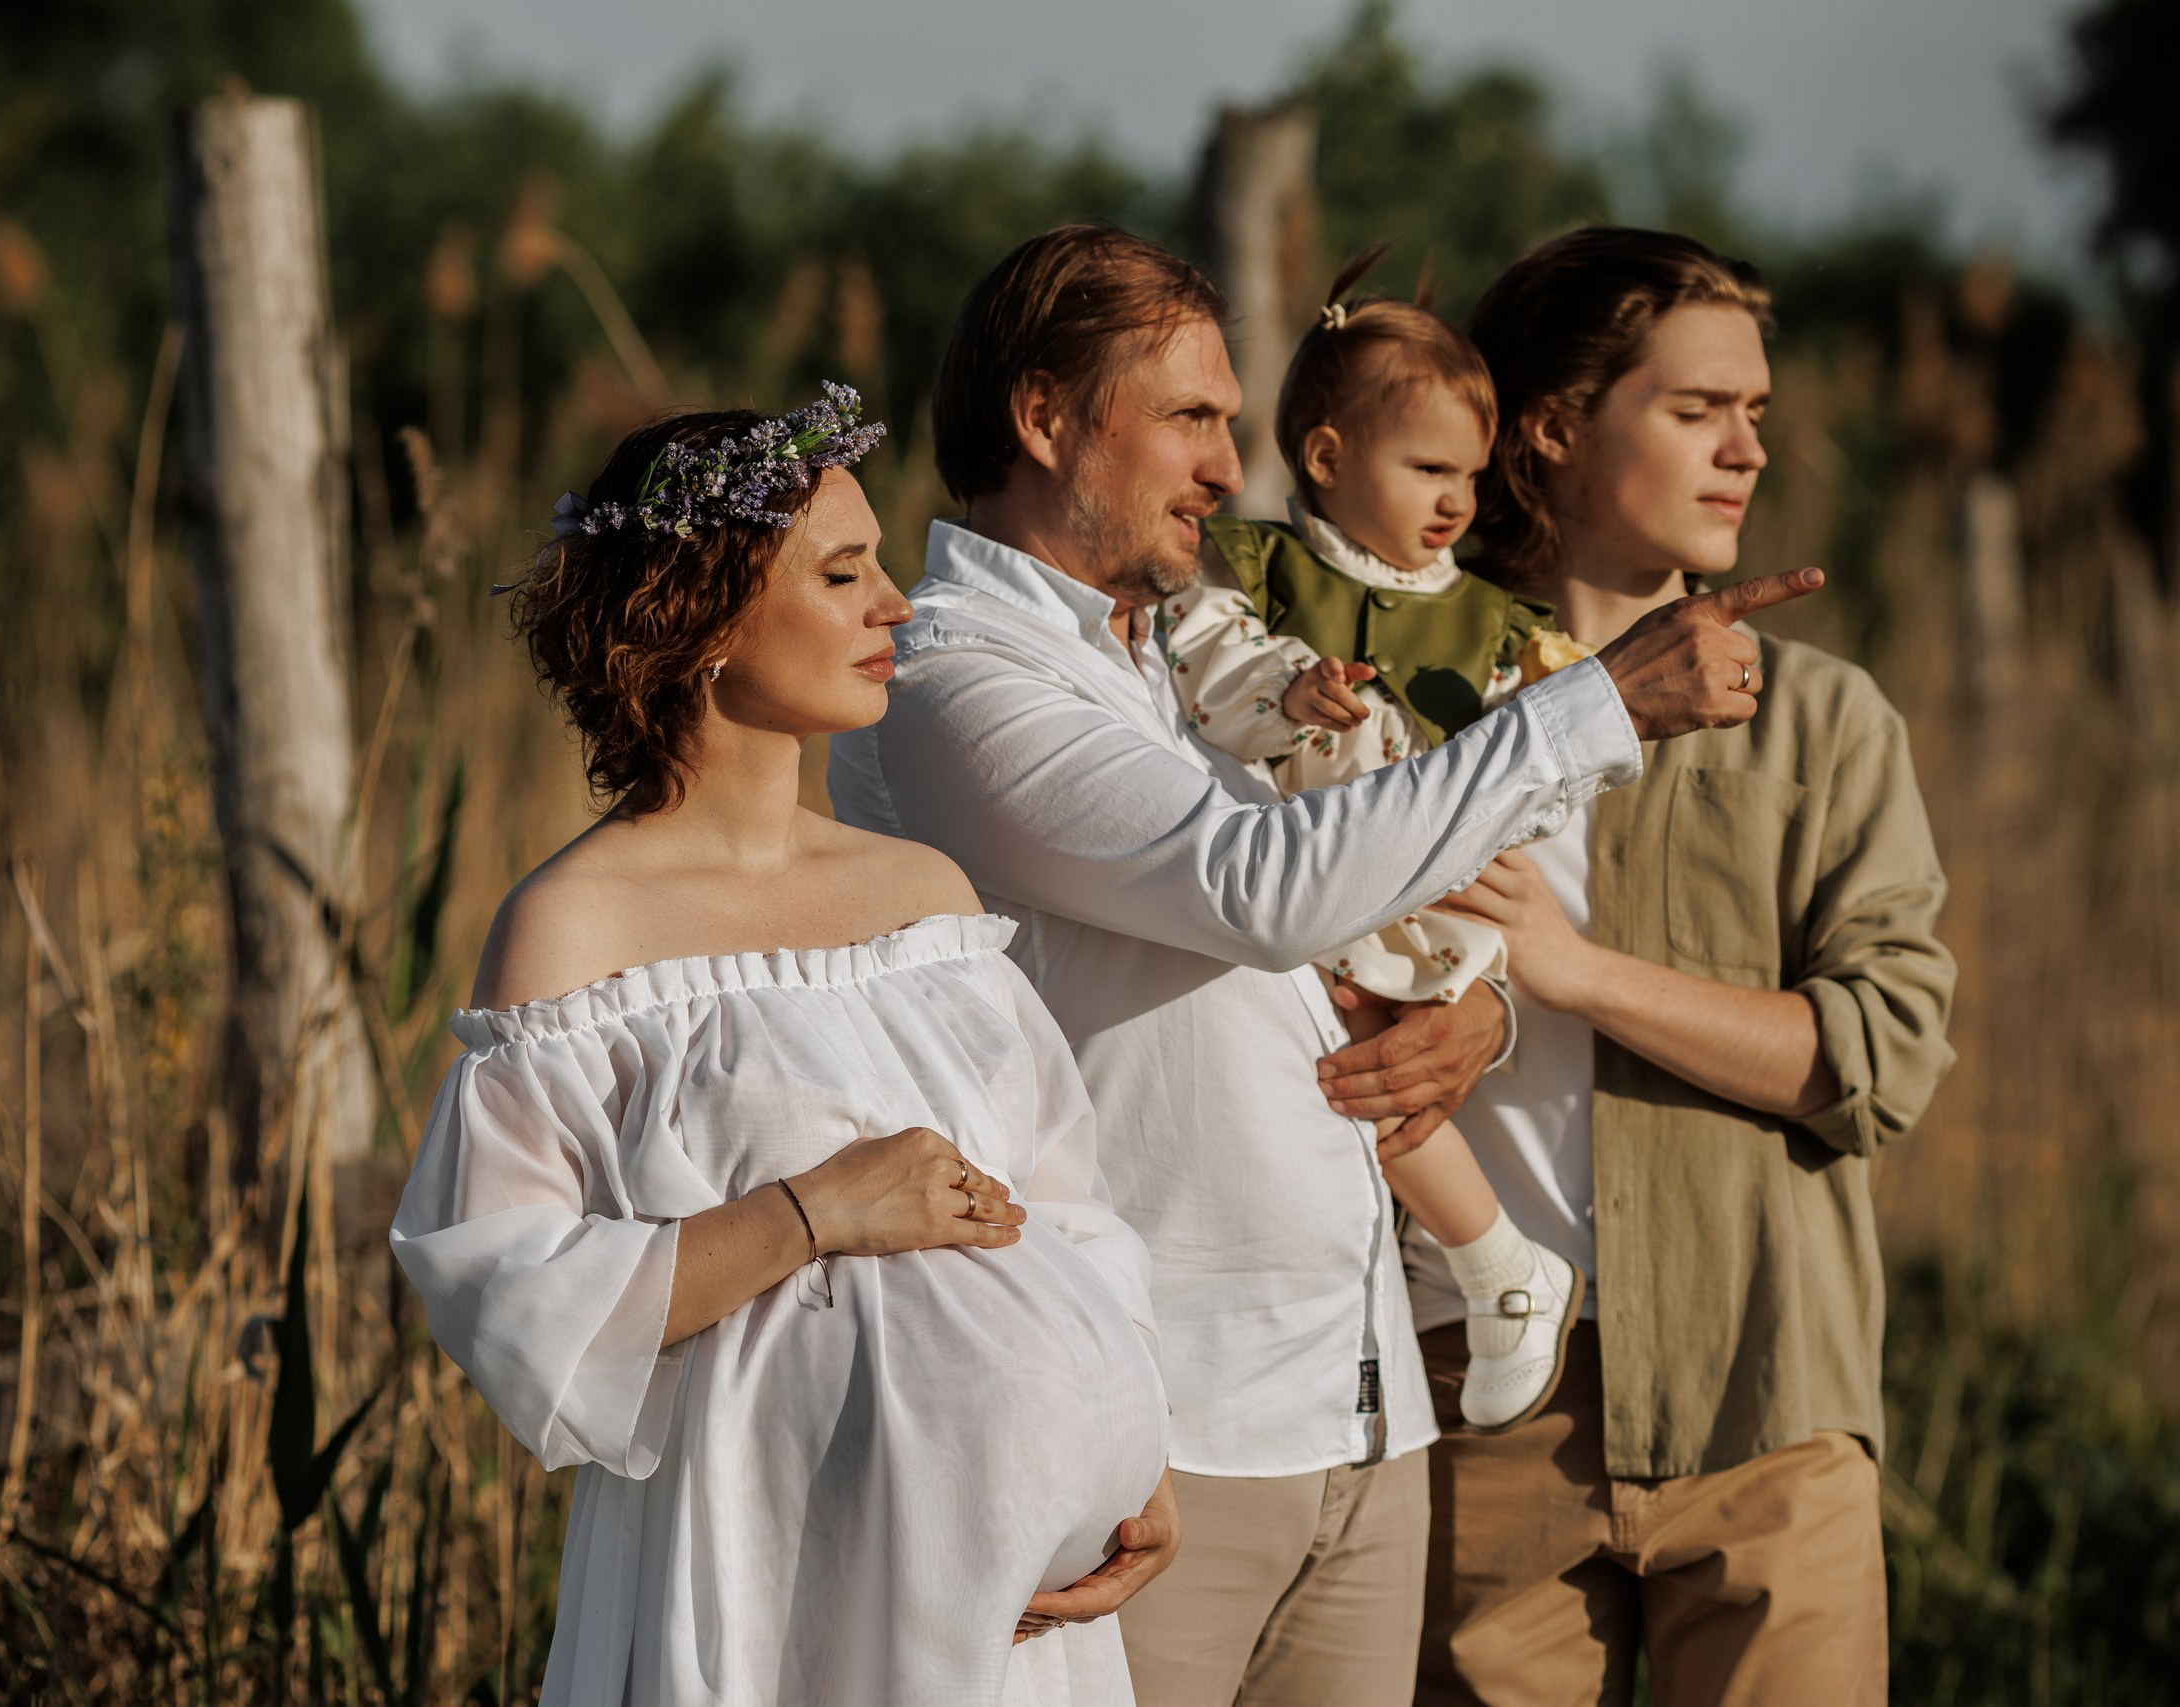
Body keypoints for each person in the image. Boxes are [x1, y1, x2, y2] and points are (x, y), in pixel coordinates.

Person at [827, 224, 1822, 1707]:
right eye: (1189, 417)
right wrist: (1597, 705)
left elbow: (1357, 886)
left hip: (1364, 1406)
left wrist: (1480, 1013)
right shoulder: (954, 674)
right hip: (1156, 1432)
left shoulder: (1192, 652)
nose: (1228, 467)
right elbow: (1259, 888)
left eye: (1229, 420)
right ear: (1042, 417)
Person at [390, 386, 1178, 1707]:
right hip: (765, 1565)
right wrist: (815, 1211)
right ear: (701, 618)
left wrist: (1135, 1443)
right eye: (843, 572)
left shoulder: (927, 898)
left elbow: (1067, 1205)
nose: (896, 606)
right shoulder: (575, 931)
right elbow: (510, 1293)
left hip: (1010, 1606)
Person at [1407, 228, 1958, 1707]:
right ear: (1552, 427)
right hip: (1479, 1406)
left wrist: (1578, 973)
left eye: (1755, 412)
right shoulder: (1412, 707)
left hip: (1767, 1403)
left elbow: (1879, 1060)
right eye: (1697, 408)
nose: (1747, 450)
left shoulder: (1825, 720)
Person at [1162, 242, 1587, 1436]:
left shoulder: (1490, 622)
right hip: (1292, 870)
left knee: (1359, 1061)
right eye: (1428, 469)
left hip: (1413, 900)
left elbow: (1537, 771)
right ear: (1326, 458)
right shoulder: (1257, 571)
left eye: (1471, 475)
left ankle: (1494, 1262)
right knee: (1319, 1057)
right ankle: (1479, 1268)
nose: (1457, 502)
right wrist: (1289, 694)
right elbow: (1208, 672)